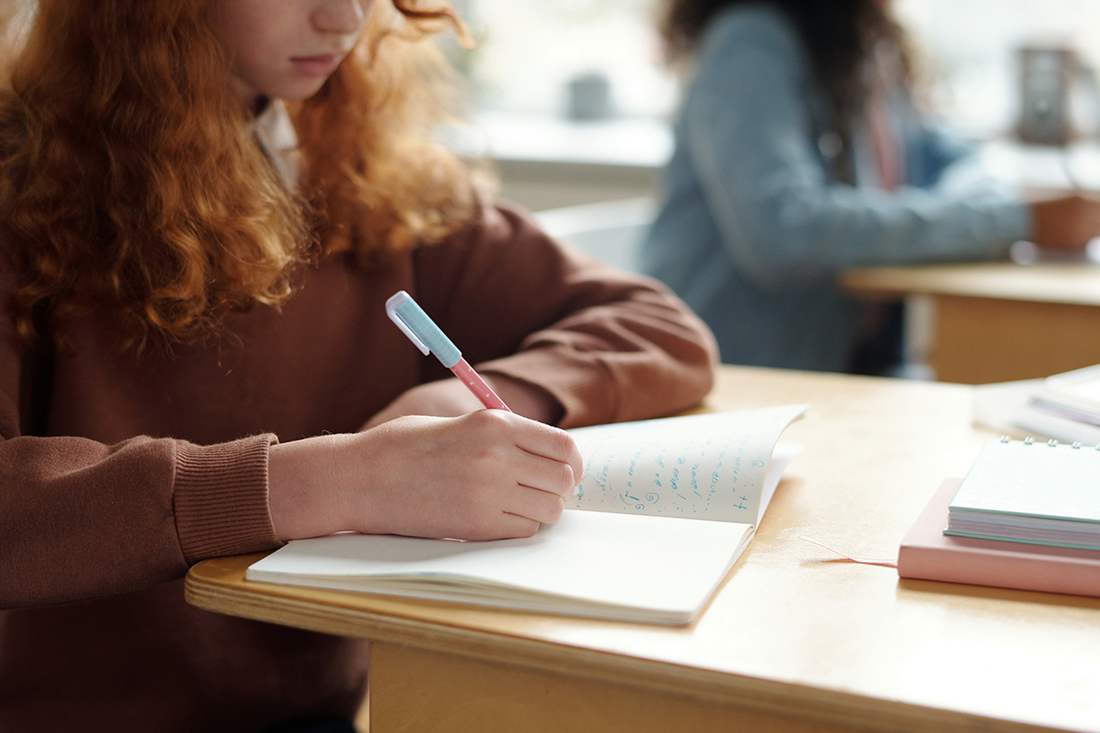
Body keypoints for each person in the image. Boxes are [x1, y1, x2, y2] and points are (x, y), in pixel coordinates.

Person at [0, 1, 718, 730]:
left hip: (322, 711)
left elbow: (661, 327)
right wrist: (339, 480)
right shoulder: (19, 181)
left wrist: (459, 399)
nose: (345, 16)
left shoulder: (357, 166)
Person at [639, 0, 1100, 374]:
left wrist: (998, 205)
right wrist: (1014, 219)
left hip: (848, 362)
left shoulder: (862, 39)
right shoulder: (750, 44)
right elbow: (783, 232)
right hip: (744, 377)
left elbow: (941, 155)